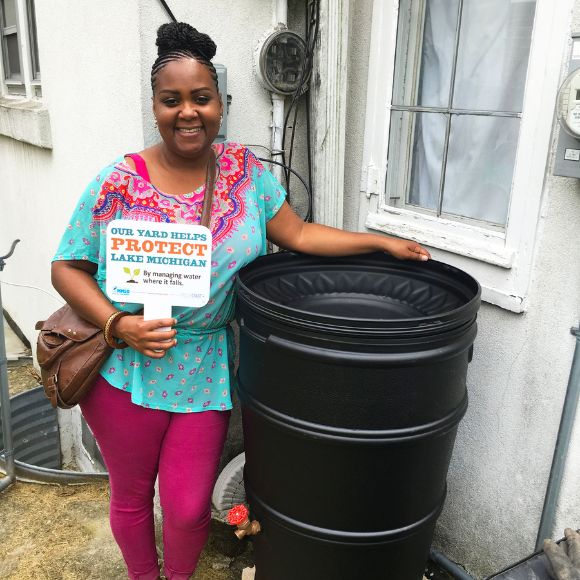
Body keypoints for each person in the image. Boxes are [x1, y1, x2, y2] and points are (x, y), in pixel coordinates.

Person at [50, 21, 431, 580]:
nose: (187, 112)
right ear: (154, 106)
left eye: (200, 98)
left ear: (221, 103)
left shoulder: (246, 175)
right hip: (125, 367)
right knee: (131, 497)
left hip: (203, 367)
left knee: (184, 506)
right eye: (171, 100)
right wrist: (115, 326)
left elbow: (297, 235)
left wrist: (378, 241)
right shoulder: (117, 183)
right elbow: (67, 267)